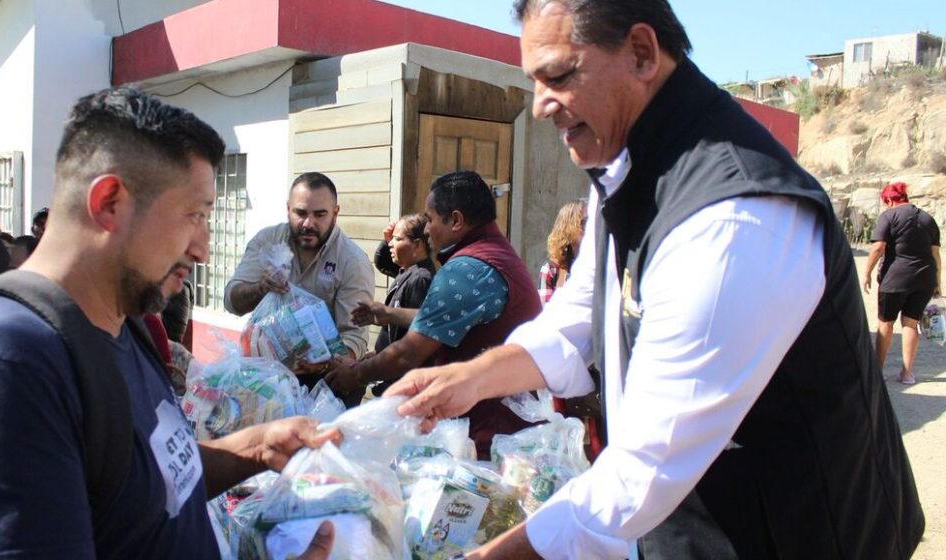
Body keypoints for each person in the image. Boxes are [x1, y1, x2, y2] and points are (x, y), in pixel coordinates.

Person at [385, 1, 923, 558]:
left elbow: (645, 468)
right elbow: (579, 313)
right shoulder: (623, 165)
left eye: (560, 76)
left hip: (791, 534)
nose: (541, 105)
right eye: (534, 81)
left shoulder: (734, 218)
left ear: (641, 53)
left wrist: (495, 554)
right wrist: (471, 379)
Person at [0, 87, 339, 559]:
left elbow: (144, 480)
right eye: (194, 216)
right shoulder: (4, 365)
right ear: (110, 202)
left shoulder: (124, 322)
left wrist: (255, 448)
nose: (202, 249)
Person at [327, 171, 542, 457]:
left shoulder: (467, 270)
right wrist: (389, 314)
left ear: (455, 220)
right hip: (509, 423)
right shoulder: (496, 255)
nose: (426, 230)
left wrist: (353, 374)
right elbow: (447, 320)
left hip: (486, 434)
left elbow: (408, 354)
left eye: (429, 219)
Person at [224, 172, 374, 378]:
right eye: (301, 213)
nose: (308, 224)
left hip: (326, 382)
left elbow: (354, 336)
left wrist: (322, 364)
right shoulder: (267, 241)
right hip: (266, 375)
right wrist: (261, 288)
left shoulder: (352, 261)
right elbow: (232, 301)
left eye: (320, 215)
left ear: (335, 213)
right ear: (288, 209)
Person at [348, 214, 436, 399]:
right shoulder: (407, 271)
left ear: (418, 245)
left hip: (401, 386)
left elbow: (411, 341)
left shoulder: (421, 279)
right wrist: (378, 354)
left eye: (397, 239)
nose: (390, 244)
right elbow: (382, 262)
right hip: (389, 377)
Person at [863, 181, 941, 385]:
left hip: (894, 279)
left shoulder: (888, 216)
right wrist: (937, 282)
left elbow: (878, 247)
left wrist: (867, 273)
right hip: (925, 278)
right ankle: (906, 374)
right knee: (910, 324)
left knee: (885, 323)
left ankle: (877, 371)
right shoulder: (927, 218)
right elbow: (936, 255)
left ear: (888, 200)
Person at [538, 200, 586, 302]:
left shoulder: (598, 265)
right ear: (568, 229)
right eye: (584, 223)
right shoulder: (551, 269)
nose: (590, 228)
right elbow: (546, 312)